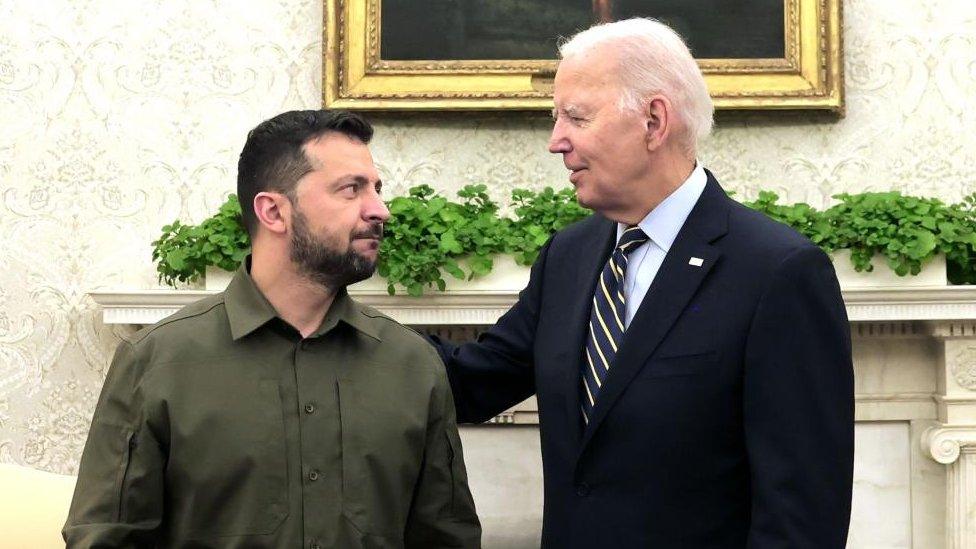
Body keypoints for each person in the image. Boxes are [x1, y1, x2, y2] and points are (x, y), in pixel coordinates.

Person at [430, 18, 854, 548]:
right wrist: (327, 310)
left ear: (654, 121)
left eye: (575, 117)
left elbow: (802, 516)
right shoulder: (570, 256)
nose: (555, 141)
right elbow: (474, 383)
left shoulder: (778, 272)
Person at [64, 110, 481, 548]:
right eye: (351, 189)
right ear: (273, 211)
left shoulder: (412, 364)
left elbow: (448, 538)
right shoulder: (157, 362)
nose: (380, 209)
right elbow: (105, 539)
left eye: (376, 189)